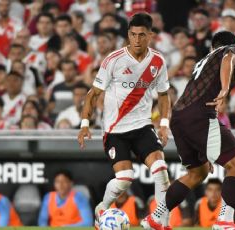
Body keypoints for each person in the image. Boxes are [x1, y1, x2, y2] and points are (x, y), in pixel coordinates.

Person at [143, 31, 235, 230]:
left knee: (197, 172)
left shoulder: (203, 62)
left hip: (180, 118)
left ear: (211, 47)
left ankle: (156, 218)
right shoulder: (231, 50)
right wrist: (225, 90)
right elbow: (228, 57)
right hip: (199, 116)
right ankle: (224, 221)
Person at [77, 13, 172, 228]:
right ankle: (102, 208)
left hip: (142, 126)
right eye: (133, 34)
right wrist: (84, 124)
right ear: (128, 34)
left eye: (141, 35)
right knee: (125, 178)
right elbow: (93, 94)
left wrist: (164, 126)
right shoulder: (113, 60)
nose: (136, 39)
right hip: (115, 130)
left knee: (161, 169)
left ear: (151, 35)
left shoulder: (158, 61)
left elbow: (164, 95)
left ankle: (161, 220)